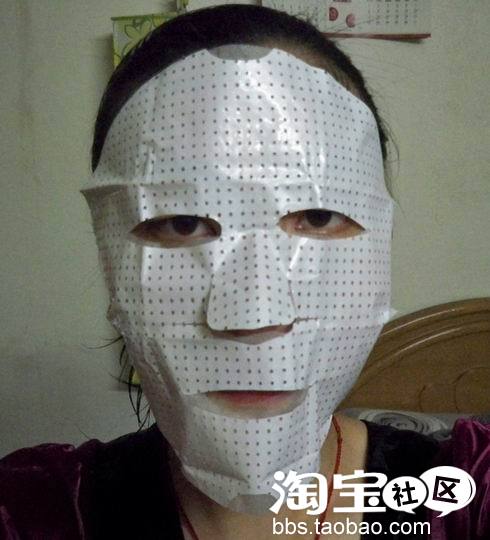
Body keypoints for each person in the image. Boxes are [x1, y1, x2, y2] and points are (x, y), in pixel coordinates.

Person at [0, 5, 488, 539]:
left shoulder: (468, 495)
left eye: (317, 217)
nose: (255, 316)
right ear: (109, 255)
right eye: (183, 223)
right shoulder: (37, 509)